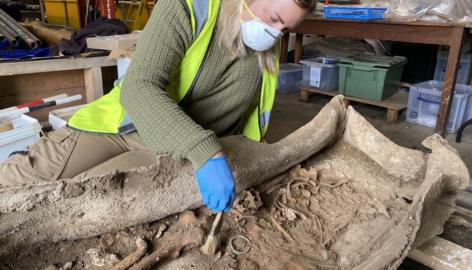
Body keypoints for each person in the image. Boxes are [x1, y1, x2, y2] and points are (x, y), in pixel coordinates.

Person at [0, 0, 315, 213]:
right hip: (123, 124)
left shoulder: (265, 52)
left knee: (77, 201)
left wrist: (228, 157)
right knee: (20, 180)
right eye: (273, 19)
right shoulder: (189, 7)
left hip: (174, 151)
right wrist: (206, 151)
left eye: (285, 29)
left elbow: (249, 124)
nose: (274, 34)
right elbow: (139, 88)